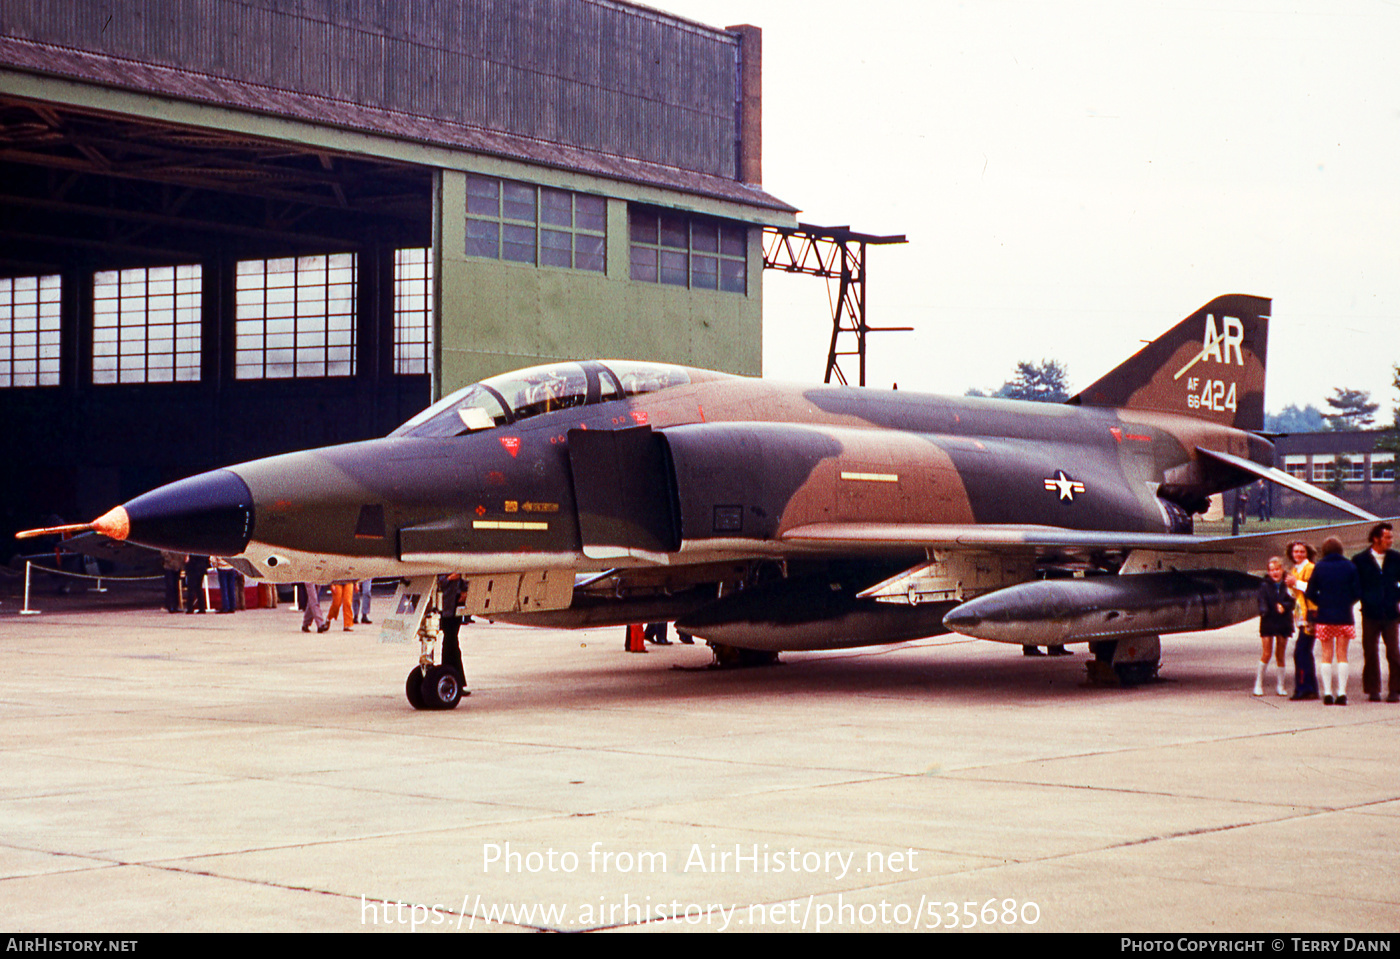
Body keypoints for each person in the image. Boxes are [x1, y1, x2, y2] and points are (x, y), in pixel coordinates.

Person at [1305, 537, 1360, 705]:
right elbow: (1358, 592)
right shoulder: (1350, 566)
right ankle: (1342, 693)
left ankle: (1328, 693)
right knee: (1342, 655)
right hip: (1344, 616)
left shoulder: (1319, 567)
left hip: (1325, 616)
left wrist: (1322, 602)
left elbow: (1310, 592)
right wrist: (1347, 602)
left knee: (1326, 655)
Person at [1352, 522, 1400, 703]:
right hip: (1370, 613)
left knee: (1394, 652)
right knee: (1370, 651)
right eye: (1387, 537)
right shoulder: (1360, 560)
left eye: (1391, 537)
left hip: (1391, 613)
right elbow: (1354, 585)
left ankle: (1395, 689)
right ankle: (1373, 689)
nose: (1391, 541)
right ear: (1376, 538)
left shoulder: (1396, 558)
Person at [1285, 541, 1319, 700]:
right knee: (1304, 652)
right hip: (1300, 613)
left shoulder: (1309, 568)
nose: (1298, 554)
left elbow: (1312, 588)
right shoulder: (1295, 569)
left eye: (1301, 552)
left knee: (1301, 651)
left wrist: (1295, 583)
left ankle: (1304, 687)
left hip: (1310, 614)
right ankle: (1309, 687)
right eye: (1295, 552)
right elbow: (1294, 594)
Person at [1255, 558, 1294, 696]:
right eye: (1271, 570)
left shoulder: (1287, 585)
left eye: (1277, 569)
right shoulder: (1264, 585)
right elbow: (1261, 600)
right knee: (1266, 653)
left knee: (1280, 654)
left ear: (1282, 570)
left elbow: (1293, 600)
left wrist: (1285, 606)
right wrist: (1264, 610)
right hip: (1268, 620)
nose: (1274, 572)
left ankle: (1281, 685)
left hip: (1284, 621)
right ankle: (1258, 684)